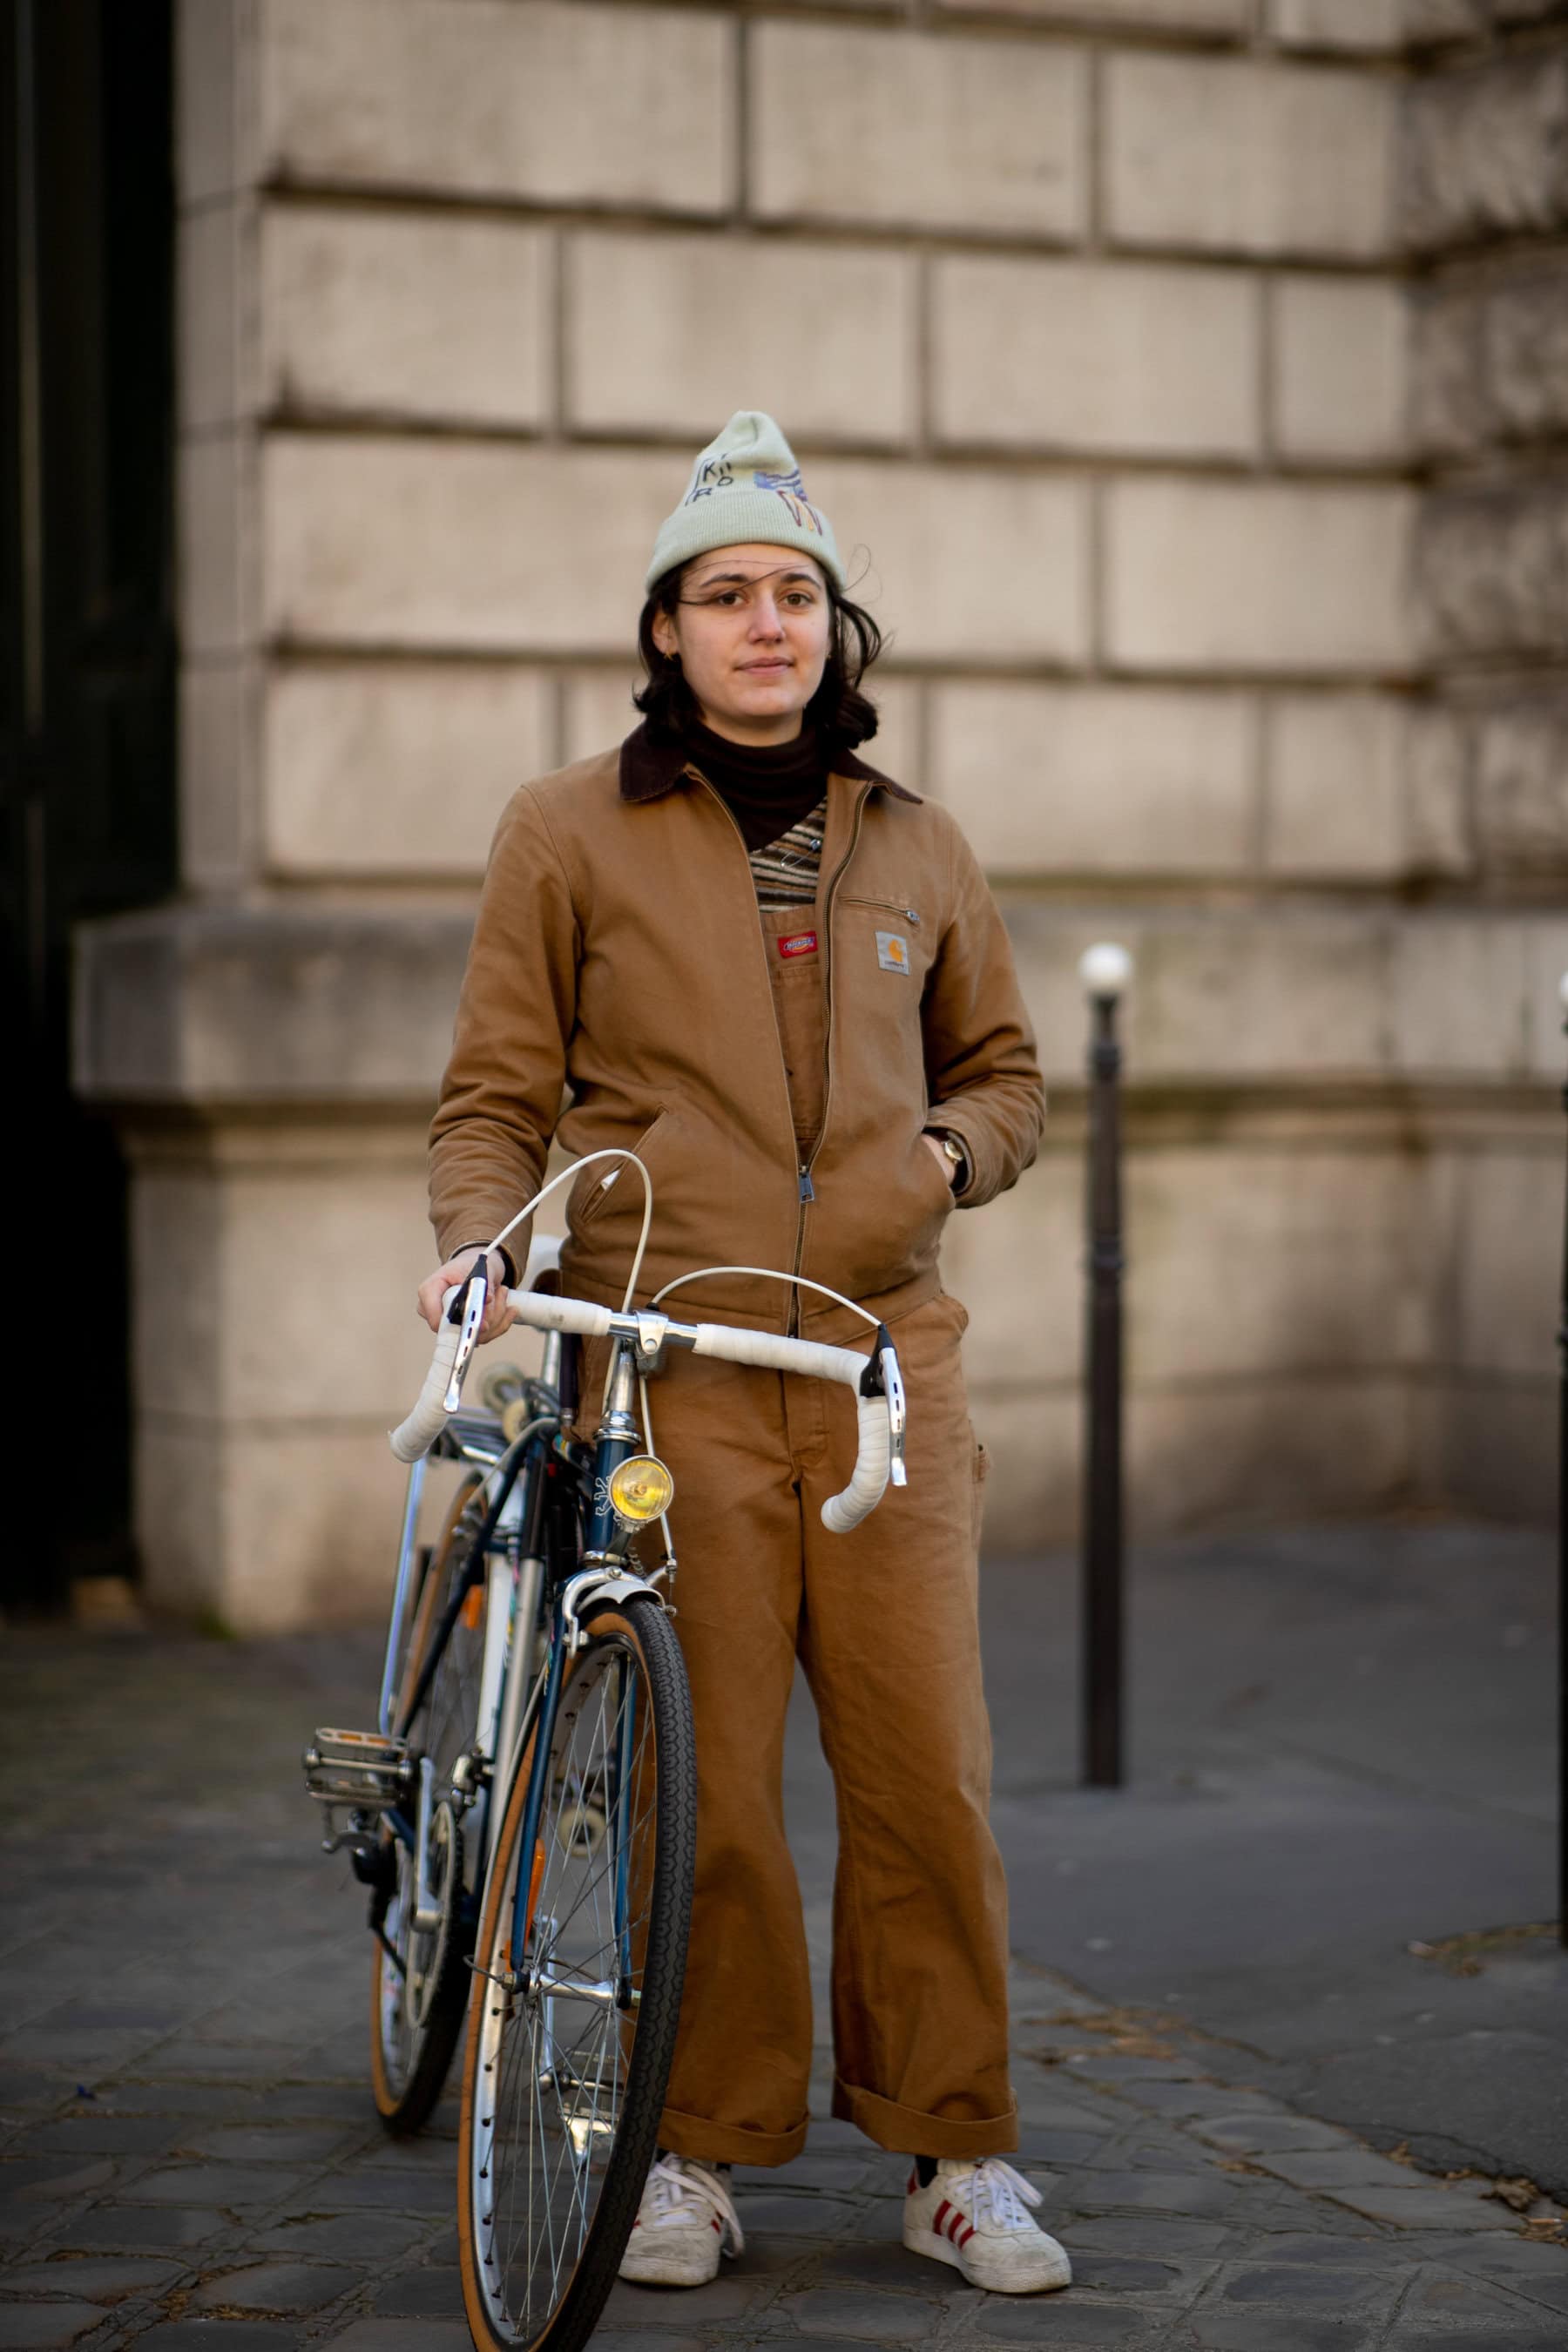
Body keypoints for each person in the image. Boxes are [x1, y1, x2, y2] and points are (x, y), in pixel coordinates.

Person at [417, 413, 1066, 2295]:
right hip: (666, 1366)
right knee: (702, 1788)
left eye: (795, 592)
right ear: (667, 628)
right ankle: (694, 2149)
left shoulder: (920, 843)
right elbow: (495, 1095)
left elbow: (1007, 1077)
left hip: (880, 1376)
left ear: (832, 628)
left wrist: (940, 1159)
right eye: (726, 594)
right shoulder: (565, 830)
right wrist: (480, 1245)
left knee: (926, 1776)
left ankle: (954, 2151)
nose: (765, 623)